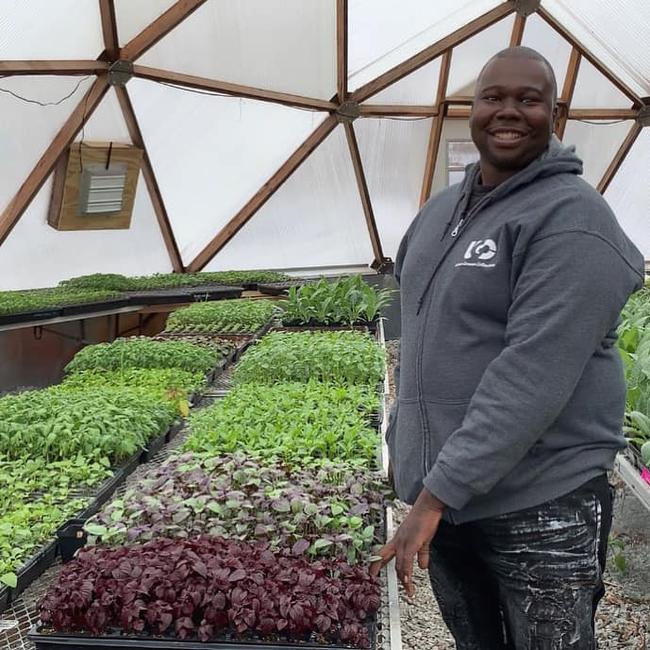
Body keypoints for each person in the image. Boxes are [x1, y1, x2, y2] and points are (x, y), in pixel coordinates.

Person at [370, 46, 645, 649]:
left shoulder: (572, 218)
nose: (509, 111)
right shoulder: (444, 210)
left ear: (554, 113)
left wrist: (433, 496)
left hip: (540, 497)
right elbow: (423, 334)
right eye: (494, 96)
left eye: (529, 99)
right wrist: (412, 460)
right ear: (472, 107)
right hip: (447, 495)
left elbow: (533, 374)